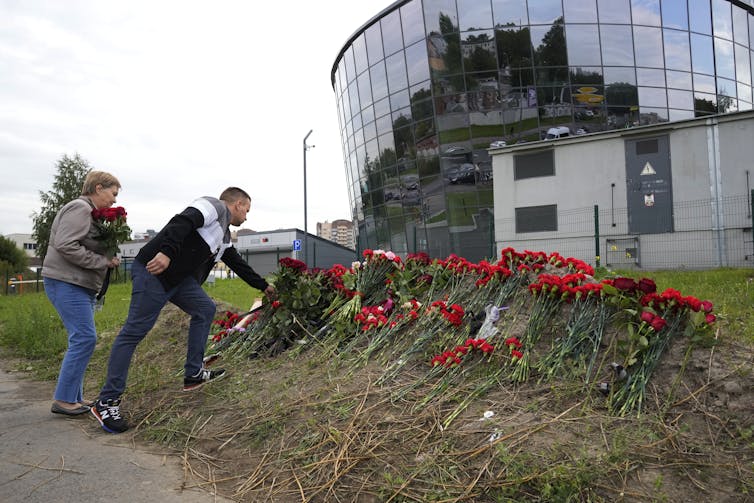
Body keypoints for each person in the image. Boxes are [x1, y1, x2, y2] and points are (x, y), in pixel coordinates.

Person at [91, 187, 275, 433]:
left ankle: (194, 373)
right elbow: (182, 221)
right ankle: (107, 401)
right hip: (154, 271)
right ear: (238, 203)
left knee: (205, 308)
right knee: (135, 331)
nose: (246, 217)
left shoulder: (224, 236)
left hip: (177, 280)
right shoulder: (214, 206)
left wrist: (264, 286)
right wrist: (166, 253)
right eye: (247, 210)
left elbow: (237, 264)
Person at [42, 171, 122, 416]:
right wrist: (101, 261)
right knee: (84, 338)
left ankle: (73, 397)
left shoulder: (90, 212)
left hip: (78, 283)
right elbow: (66, 244)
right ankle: (65, 400)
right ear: (98, 188)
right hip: (66, 281)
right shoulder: (80, 208)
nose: (114, 200)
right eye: (112, 193)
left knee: (81, 338)